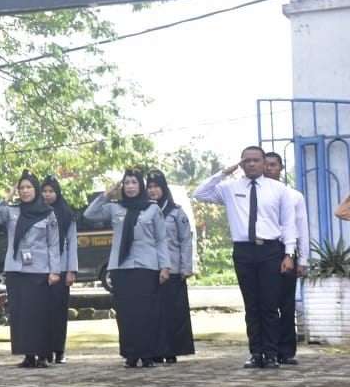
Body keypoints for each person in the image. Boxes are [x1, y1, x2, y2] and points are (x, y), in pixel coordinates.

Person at [192, 146, 296, 370]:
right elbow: (199, 193)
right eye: (246, 161)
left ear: (263, 162)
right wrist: (225, 172)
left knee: (269, 304)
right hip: (243, 251)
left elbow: (288, 223)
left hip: (270, 250)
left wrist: (289, 254)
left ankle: (270, 354)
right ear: (241, 163)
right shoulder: (230, 188)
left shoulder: (278, 189)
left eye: (256, 160)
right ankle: (255, 353)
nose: (251, 164)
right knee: (252, 305)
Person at [85, 170, 171, 368]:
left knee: (146, 312)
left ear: (141, 186)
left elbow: (161, 239)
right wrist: (107, 194)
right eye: (127, 183)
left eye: (134, 182)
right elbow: (90, 214)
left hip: (146, 266)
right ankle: (131, 354)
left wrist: (164, 266)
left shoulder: (152, 209)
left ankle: (148, 355)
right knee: (126, 313)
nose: (130, 186)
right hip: (120, 267)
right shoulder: (115, 208)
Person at [0, 171, 61, 369]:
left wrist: (55, 271)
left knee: (40, 314)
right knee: (21, 314)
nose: (25, 191)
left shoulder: (48, 214)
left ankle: (43, 354)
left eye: (29, 187)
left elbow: (53, 244)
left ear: (36, 190)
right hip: (16, 270)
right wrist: (7, 198)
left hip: (39, 270)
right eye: (22, 188)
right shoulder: (12, 211)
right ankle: (28, 354)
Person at [264, 152, 308, 365]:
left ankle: (287, 350)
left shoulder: (294, 196)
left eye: (273, 165)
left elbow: (302, 228)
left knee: (286, 303)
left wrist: (302, 260)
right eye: (266, 165)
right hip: (265, 250)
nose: (269, 168)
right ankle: (266, 349)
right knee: (266, 303)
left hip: (287, 249)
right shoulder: (257, 195)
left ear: (281, 168)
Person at [147, 170, 195, 363]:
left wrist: (186, 266)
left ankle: (172, 350)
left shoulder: (176, 212)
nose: (152, 191)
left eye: (156, 186)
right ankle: (155, 350)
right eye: (149, 187)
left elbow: (185, 240)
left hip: (174, 268)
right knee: (153, 314)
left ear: (163, 188)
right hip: (150, 268)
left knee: (173, 312)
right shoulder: (143, 211)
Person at [40, 175, 78, 364]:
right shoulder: (36, 212)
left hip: (61, 268)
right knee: (43, 312)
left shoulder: (66, 213)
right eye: (44, 191)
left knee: (59, 310)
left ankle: (59, 349)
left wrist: (71, 270)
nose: (47, 195)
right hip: (41, 269)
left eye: (51, 191)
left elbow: (72, 243)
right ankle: (44, 349)